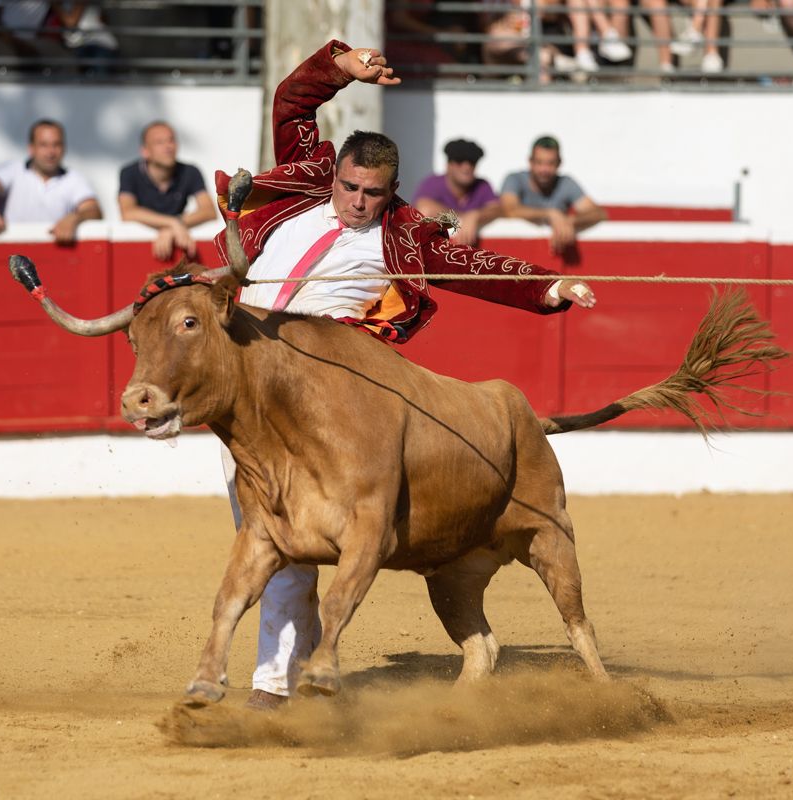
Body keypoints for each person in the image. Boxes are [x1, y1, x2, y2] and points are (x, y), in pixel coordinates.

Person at [209, 41, 597, 712]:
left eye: (374, 193)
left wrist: (548, 286)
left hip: (321, 397)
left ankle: (273, 687)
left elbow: (473, 265)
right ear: (336, 177)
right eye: (351, 187)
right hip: (247, 385)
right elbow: (291, 102)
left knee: (283, 546)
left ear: (391, 191)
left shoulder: (402, 237)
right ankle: (286, 675)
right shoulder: (301, 184)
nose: (359, 201)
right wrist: (338, 67)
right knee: (266, 538)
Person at [0, 119, 101, 244]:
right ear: (31, 148)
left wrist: (75, 218)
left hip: (56, 258)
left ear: (64, 148)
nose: (50, 152)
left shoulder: (74, 178)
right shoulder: (14, 170)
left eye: (56, 145)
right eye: (43, 145)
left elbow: (94, 210)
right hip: (11, 257)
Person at [118, 121, 217, 261]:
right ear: (145, 151)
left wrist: (173, 226)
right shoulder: (129, 173)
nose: (167, 146)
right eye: (159, 142)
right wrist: (172, 223)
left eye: (171, 140)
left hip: (180, 255)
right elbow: (127, 213)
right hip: (138, 257)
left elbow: (209, 211)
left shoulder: (190, 172)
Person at [498, 136, 607, 255]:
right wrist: (550, 213)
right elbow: (509, 210)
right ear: (530, 161)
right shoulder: (514, 179)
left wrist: (569, 221)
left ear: (559, 163)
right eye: (539, 162)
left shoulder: (565, 183)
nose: (544, 169)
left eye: (550, 163)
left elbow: (598, 213)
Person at [413, 139, 504, 247]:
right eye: (459, 161)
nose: (466, 167)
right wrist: (464, 218)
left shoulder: (482, 186)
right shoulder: (433, 183)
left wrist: (475, 216)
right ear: (448, 164)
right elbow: (425, 209)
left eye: (472, 161)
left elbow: (497, 210)